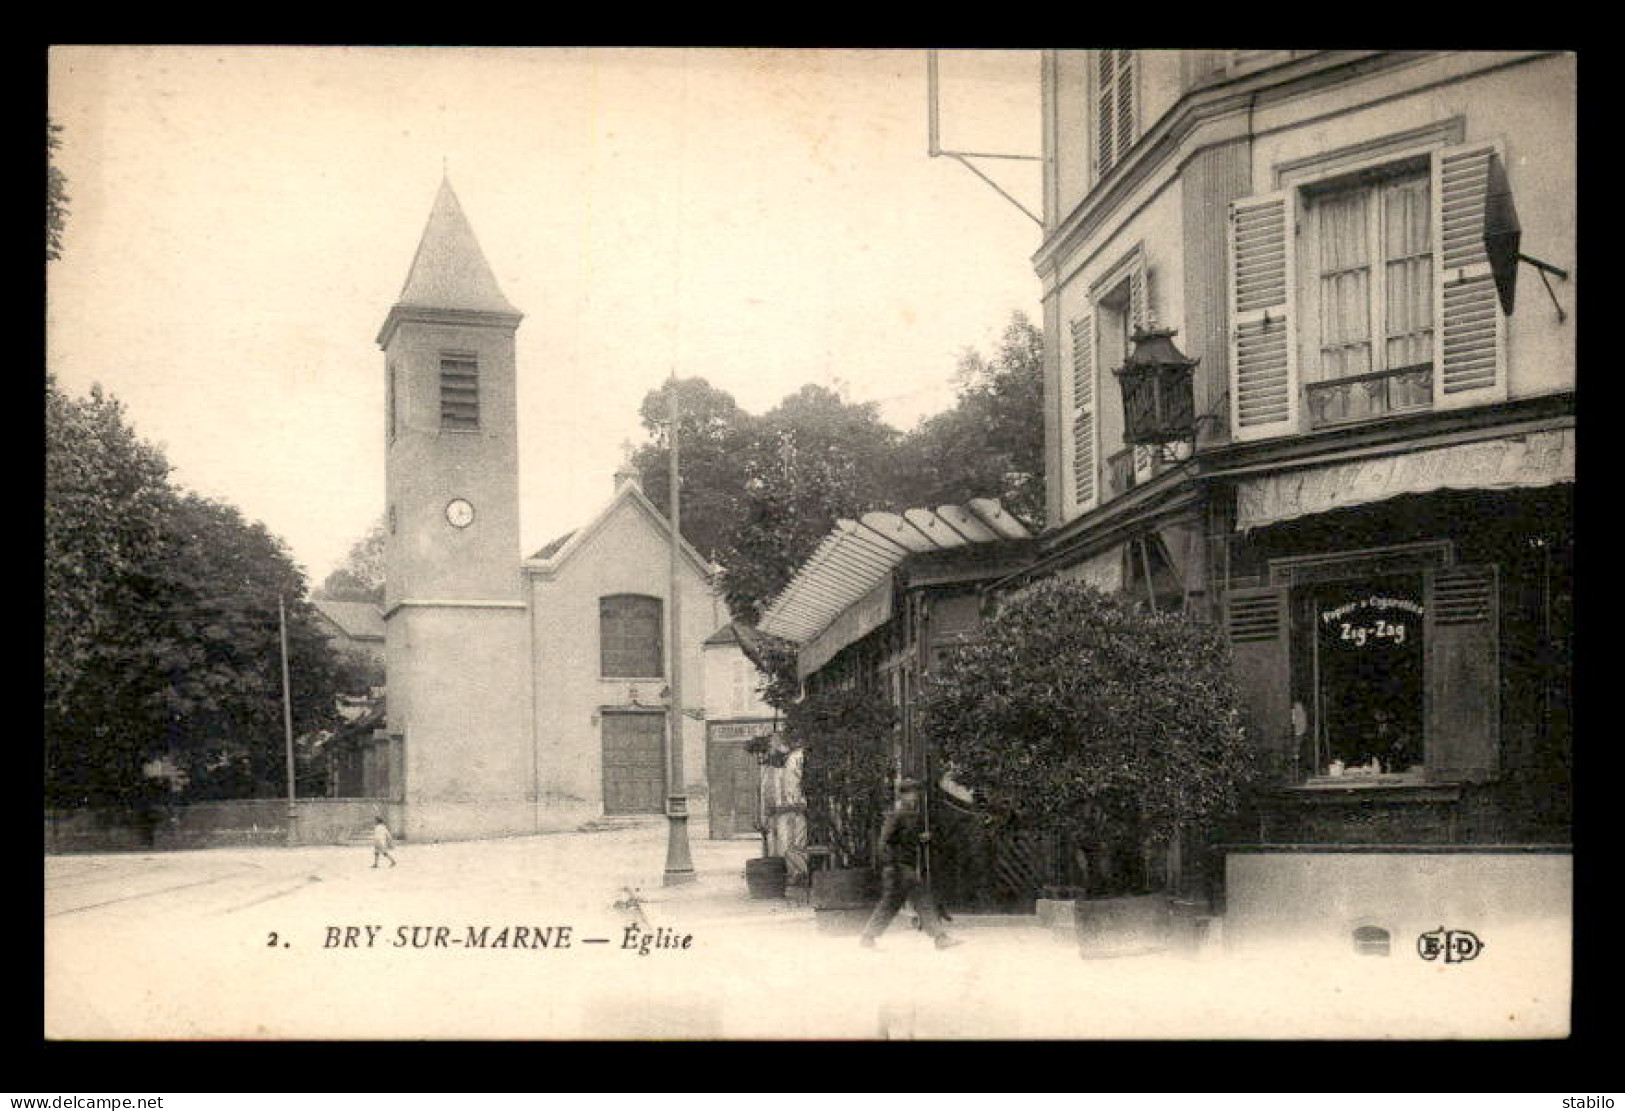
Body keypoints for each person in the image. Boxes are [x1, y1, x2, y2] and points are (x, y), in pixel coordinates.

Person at [859, 778, 960, 951]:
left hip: (902, 866)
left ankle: (867, 938)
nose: (915, 796)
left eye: (917, 793)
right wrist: (893, 865)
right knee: (922, 899)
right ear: (903, 795)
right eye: (911, 793)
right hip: (898, 867)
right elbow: (884, 842)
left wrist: (920, 839)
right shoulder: (897, 815)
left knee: (890, 904)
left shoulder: (911, 814)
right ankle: (940, 938)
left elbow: (905, 839)